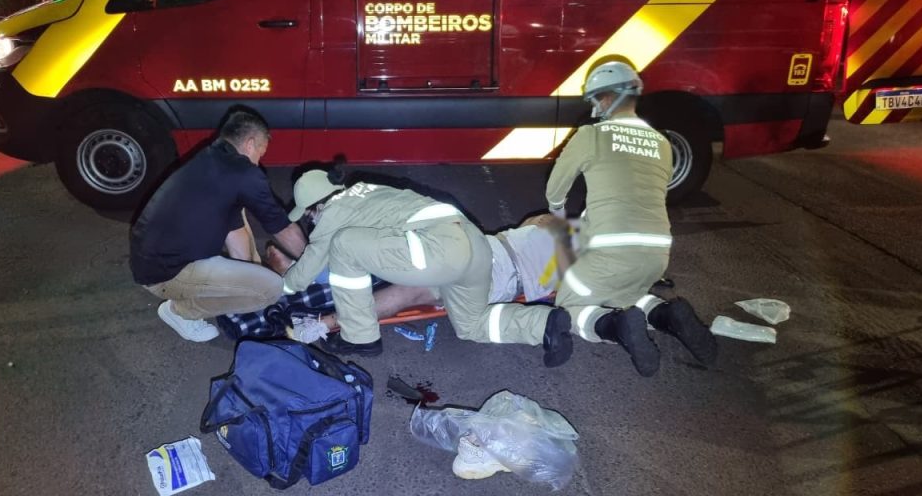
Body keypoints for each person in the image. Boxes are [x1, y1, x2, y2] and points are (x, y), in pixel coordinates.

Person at [281, 169, 574, 367]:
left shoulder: (333, 212)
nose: (311, 221)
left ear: (313, 207)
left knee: (344, 245)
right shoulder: (363, 191)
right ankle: (544, 325)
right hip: (474, 244)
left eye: (308, 215)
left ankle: (359, 337)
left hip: (464, 250)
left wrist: (276, 288)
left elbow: (303, 273)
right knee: (471, 325)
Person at [546, 60, 717, 376]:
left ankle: (617, 328)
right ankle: (669, 316)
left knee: (568, 308)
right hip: (656, 255)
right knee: (626, 293)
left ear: (609, 98)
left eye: (597, 98)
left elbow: (555, 190)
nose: (596, 105)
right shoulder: (662, 143)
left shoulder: (590, 135)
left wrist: (560, 221)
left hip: (610, 252)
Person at [220, 214, 573, 341]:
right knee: (390, 257)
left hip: (493, 272)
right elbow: (531, 225)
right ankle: (299, 274)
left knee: (414, 287)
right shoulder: (560, 230)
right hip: (479, 246)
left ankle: (323, 319)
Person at [130, 105, 307, 342]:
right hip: (166, 273)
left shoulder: (211, 159)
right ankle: (181, 312)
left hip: (149, 258)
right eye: (260, 154)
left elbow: (236, 232)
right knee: (271, 289)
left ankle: (199, 293)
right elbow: (282, 229)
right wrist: (314, 266)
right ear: (250, 143)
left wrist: (249, 277)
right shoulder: (245, 173)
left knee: (255, 273)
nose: (258, 162)